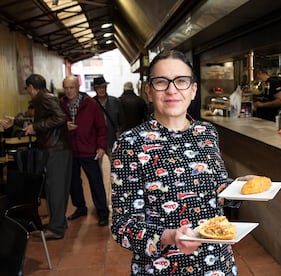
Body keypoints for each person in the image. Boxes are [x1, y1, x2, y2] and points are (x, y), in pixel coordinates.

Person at [110, 50, 252, 275]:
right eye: (161, 82)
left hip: (217, 264)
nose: (172, 90)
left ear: (193, 90)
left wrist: (240, 187)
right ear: (148, 91)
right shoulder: (130, 144)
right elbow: (122, 226)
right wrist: (169, 236)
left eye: (181, 81)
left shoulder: (207, 132)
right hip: (162, 268)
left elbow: (217, 190)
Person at [0, 74, 72, 240]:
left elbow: (60, 117)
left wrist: (36, 127)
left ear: (31, 87)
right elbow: (43, 119)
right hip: (55, 149)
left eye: (28, 89)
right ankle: (58, 222)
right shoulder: (45, 97)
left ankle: (56, 228)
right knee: (54, 188)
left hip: (56, 150)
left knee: (55, 189)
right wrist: (16, 122)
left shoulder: (44, 98)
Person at [60, 76, 110, 226]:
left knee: (96, 182)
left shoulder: (90, 104)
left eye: (72, 88)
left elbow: (101, 127)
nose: (69, 91)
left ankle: (102, 212)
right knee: (73, 183)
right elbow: (55, 124)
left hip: (89, 150)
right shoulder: (60, 104)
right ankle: (80, 208)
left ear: (78, 87)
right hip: (70, 151)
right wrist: (65, 126)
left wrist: (101, 146)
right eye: (66, 88)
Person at [92, 76, 122, 154]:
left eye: (103, 87)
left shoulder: (115, 101)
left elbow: (122, 120)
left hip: (113, 138)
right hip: (97, 141)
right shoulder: (91, 103)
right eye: (99, 88)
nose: (101, 90)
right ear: (95, 89)